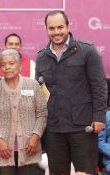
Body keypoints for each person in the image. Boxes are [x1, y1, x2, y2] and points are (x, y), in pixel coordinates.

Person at [35, 10, 107, 175]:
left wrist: (99, 117)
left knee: (85, 172)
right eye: (51, 28)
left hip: (83, 126)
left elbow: (99, 86)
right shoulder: (41, 57)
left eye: (60, 27)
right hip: (54, 128)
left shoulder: (87, 51)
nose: (56, 32)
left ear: (68, 27)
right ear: (46, 29)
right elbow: (40, 92)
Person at [0, 49, 47, 175]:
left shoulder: (33, 85)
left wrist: (35, 136)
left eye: (11, 63)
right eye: (3, 65)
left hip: (29, 150)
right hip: (3, 152)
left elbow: (42, 113)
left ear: (20, 65)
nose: (7, 67)